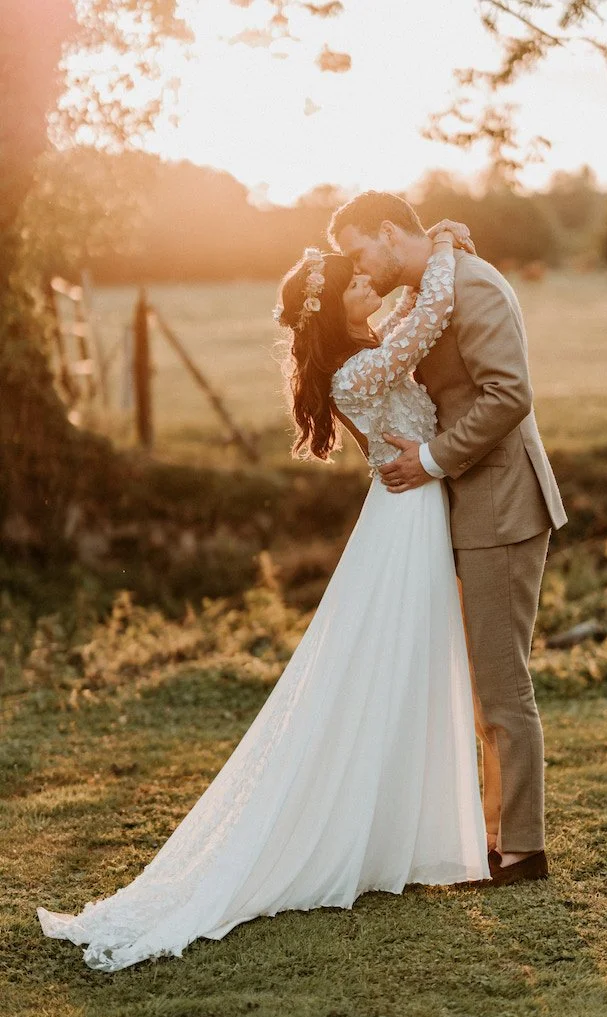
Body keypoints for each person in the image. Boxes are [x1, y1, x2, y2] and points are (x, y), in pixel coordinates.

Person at [36, 229, 490, 973]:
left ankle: (403, 834)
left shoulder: (366, 348)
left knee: (408, 668)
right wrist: (440, 242)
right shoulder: (356, 373)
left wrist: (416, 263)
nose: (370, 287)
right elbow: (433, 305)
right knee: (395, 665)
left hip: (413, 514)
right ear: (334, 304)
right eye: (357, 284)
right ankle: (374, 835)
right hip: (405, 525)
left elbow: (414, 312)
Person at [329, 192, 568, 886]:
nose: (360, 269)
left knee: (499, 685)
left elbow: (507, 394)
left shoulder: (471, 284)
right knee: (479, 687)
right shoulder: (434, 284)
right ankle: (493, 837)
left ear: (384, 231)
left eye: (359, 251)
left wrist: (430, 459)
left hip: (501, 504)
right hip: (463, 507)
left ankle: (521, 850)